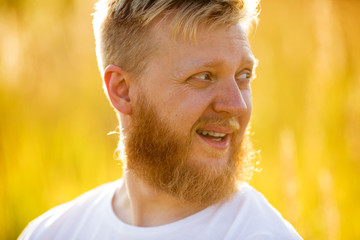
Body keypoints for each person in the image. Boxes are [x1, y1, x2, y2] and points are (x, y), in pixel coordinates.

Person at [19, 0, 302, 239]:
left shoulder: (262, 233)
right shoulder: (52, 233)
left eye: (243, 76)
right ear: (123, 90)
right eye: (203, 77)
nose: (236, 105)